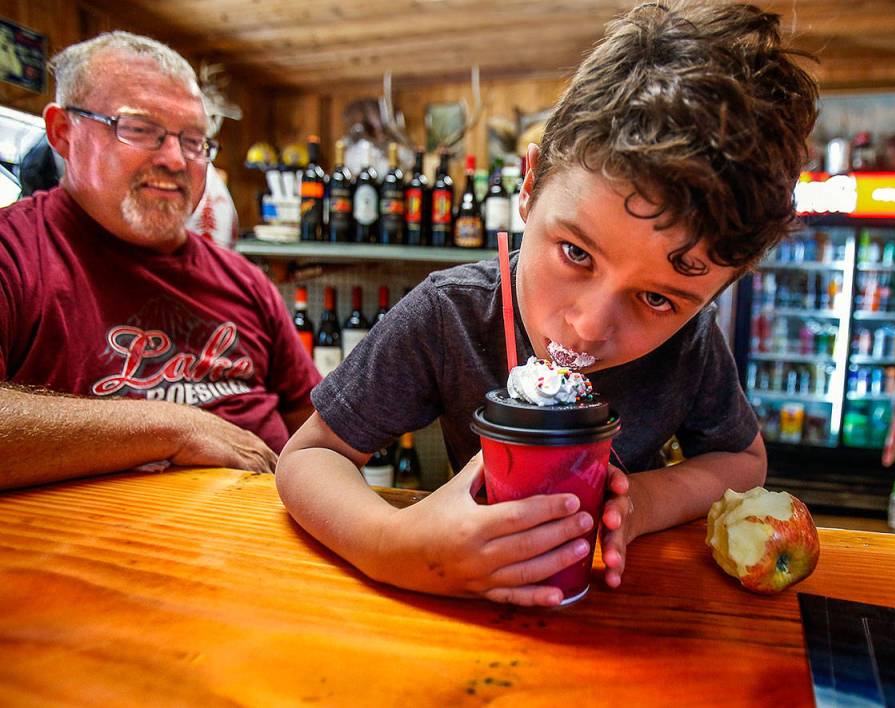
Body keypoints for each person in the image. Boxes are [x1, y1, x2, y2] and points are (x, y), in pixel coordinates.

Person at [276, 2, 818, 606]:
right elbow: (310, 456)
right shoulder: (448, 313)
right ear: (529, 187)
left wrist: (641, 504)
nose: (587, 327)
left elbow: (742, 460)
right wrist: (387, 544)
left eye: (659, 299)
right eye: (576, 253)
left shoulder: (693, 343)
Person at [0, 31, 321, 491]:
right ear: (63, 133)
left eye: (194, 140)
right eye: (139, 129)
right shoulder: (13, 253)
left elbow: (309, 424)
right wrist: (173, 428)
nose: (175, 159)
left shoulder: (244, 280)